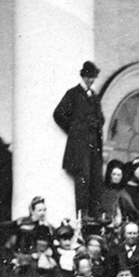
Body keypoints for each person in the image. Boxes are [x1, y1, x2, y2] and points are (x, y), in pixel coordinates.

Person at [52, 62, 105, 225]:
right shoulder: (73, 94)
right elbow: (58, 114)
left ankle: (95, 213)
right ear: (83, 75)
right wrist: (76, 129)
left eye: (93, 77)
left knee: (95, 178)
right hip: (80, 146)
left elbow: (101, 117)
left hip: (94, 145)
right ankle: (83, 213)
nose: (91, 80)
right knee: (83, 178)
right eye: (89, 77)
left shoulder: (94, 97)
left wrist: (97, 122)